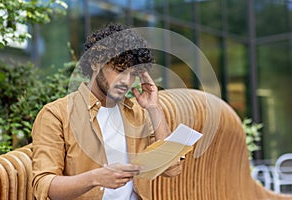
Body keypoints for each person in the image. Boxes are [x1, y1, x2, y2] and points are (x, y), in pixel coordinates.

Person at [32, 23, 181, 200]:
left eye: (133, 74)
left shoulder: (136, 113)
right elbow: (43, 185)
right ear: (96, 63)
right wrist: (95, 178)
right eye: (119, 70)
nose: (126, 81)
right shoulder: (57, 114)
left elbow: (172, 169)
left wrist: (154, 108)